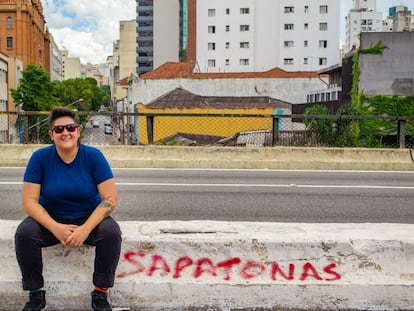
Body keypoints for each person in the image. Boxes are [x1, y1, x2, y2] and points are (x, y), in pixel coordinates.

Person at [15, 107, 122, 311]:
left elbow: (111, 198)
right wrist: (55, 227)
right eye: (59, 129)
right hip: (51, 219)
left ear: (78, 131)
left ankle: (100, 292)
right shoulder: (40, 158)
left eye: (71, 128)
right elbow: (29, 202)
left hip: (87, 218)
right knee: (25, 233)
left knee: (111, 232)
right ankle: (35, 294)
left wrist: (85, 229)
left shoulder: (93, 156)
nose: (66, 133)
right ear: (51, 134)